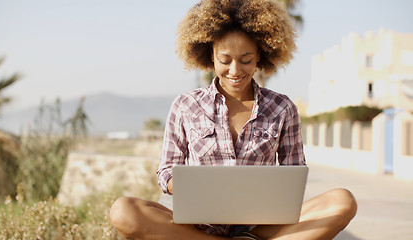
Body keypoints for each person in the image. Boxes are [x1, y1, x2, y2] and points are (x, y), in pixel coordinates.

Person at [109, 0, 357, 239]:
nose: (235, 70)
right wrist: (193, 190)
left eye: (246, 59)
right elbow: (165, 172)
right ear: (210, 56)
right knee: (123, 212)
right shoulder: (185, 106)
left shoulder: (283, 108)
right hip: (198, 226)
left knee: (342, 201)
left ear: (260, 54)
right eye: (225, 60)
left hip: (261, 225)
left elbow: (294, 173)